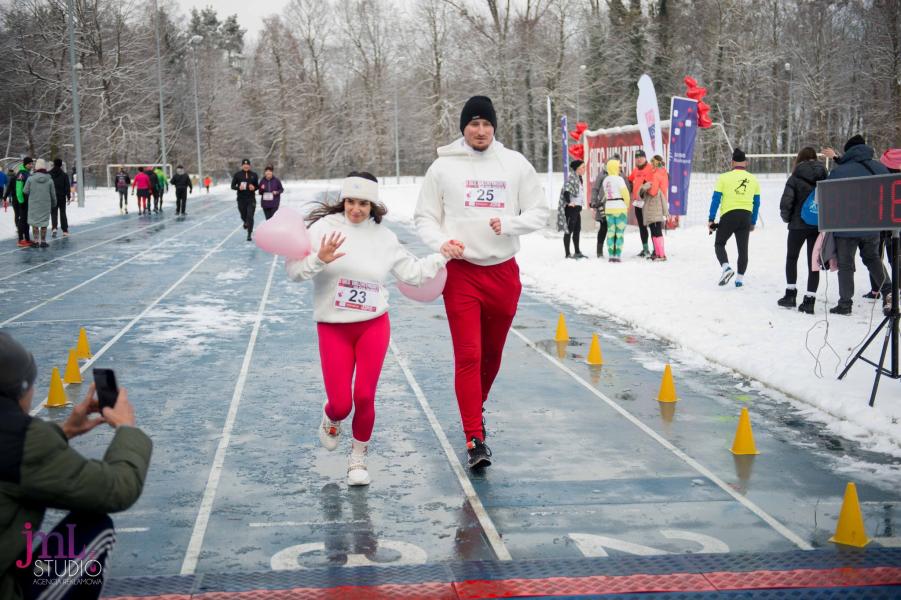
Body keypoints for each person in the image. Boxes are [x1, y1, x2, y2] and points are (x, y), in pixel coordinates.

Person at [287, 172, 448, 485]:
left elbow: (413, 274)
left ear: (373, 204)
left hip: (373, 324)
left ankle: (357, 458)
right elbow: (294, 272)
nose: (356, 209)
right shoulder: (322, 229)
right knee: (342, 403)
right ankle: (331, 416)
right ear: (343, 201)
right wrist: (318, 260)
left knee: (364, 395)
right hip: (333, 327)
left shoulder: (383, 237)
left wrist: (443, 256)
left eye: (363, 203)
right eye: (350, 201)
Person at [414, 95, 548, 469]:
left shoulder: (514, 163)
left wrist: (510, 224)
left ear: (494, 127)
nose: (480, 130)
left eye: (486, 124)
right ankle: (474, 437)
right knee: (469, 355)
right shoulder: (443, 168)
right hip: (462, 274)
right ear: (463, 128)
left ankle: (476, 406)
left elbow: (539, 211)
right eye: (473, 124)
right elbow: (424, 217)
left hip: (503, 272)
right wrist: (441, 243)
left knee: (491, 355)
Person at [0, 332, 152, 600]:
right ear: (21, 390)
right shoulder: (21, 440)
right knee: (94, 527)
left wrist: (65, 430)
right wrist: (127, 429)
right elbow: (117, 489)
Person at [825, 135, 891, 315]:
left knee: (846, 265)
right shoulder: (880, 168)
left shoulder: (839, 172)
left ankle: (845, 304)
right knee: (873, 259)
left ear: (849, 151)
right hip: (872, 224)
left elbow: (829, 198)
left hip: (845, 227)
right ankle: (888, 291)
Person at [777, 147, 827, 313]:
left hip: (797, 225)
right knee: (814, 263)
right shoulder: (825, 176)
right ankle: (810, 300)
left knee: (792, 258)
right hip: (817, 225)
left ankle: (790, 295)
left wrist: (787, 219)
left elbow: (786, 203)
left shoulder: (795, 177)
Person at [708, 148, 761, 287]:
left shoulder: (723, 177)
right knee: (743, 249)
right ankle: (739, 280)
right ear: (746, 163)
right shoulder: (753, 179)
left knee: (719, 243)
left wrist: (711, 219)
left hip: (729, 215)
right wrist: (753, 221)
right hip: (746, 216)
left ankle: (726, 268)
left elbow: (716, 199)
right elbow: (757, 203)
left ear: (732, 162)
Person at [601, 158, 630, 262]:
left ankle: (610, 255)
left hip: (609, 208)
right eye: (618, 167)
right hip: (620, 208)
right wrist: (627, 205)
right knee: (619, 233)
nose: (619, 169)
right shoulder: (619, 179)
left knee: (610, 232)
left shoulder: (605, 180)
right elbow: (625, 194)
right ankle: (617, 255)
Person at [642, 155, 669, 261]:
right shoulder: (664, 173)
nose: (651, 165)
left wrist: (645, 187)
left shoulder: (656, 175)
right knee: (656, 228)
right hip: (661, 202)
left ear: (656, 163)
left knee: (655, 230)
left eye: (652, 163)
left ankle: (661, 254)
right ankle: (658, 254)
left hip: (655, 202)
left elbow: (653, 192)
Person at [23, 159, 56, 249]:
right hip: (45, 205)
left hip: (34, 204)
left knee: (35, 223)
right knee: (44, 223)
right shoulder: (49, 180)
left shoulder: (30, 178)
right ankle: (43, 241)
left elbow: (25, 191)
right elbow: (53, 194)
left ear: (36, 167)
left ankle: (36, 241)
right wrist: (54, 203)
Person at [558, 159, 587, 259]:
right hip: (572, 209)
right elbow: (566, 191)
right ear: (577, 169)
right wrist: (569, 202)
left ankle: (577, 252)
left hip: (577, 209)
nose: (584, 169)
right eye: (583, 167)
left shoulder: (578, 178)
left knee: (577, 230)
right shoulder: (572, 178)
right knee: (569, 230)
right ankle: (567, 254)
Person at [628, 149, 654, 257]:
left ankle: (656, 249)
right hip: (637, 202)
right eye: (637, 158)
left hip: (648, 202)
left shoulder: (651, 169)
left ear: (645, 158)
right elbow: (629, 181)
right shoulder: (635, 170)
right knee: (642, 227)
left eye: (640, 157)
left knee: (652, 226)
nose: (638, 159)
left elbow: (654, 183)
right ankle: (645, 249)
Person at [589, 157, 613, 258]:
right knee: (603, 228)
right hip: (602, 206)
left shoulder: (619, 174)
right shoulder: (602, 174)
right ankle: (599, 251)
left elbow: (625, 187)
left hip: (615, 206)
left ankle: (614, 250)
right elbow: (595, 189)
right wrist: (594, 202)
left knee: (614, 228)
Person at [231, 159, 259, 241]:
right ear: (242, 165)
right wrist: (238, 187)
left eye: (247, 165)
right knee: (243, 215)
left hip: (251, 199)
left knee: (250, 216)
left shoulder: (254, 175)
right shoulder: (237, 175)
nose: (246, 166)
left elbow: (257, 186)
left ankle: (249, 234)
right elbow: (232, 186)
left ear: (249, 166)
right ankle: (245, 222)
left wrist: (254, 188)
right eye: (244, 164)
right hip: (241, 199)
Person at [13, 158, 34, 248]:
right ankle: (21, 239)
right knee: (22, 220)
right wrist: (21, 201)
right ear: (25, 164)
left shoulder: (27, 173)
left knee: (26, 220)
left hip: (27, 200)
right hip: (23, 201)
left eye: (31, 164)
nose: (31, 165)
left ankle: (27, 238)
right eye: (29, 164)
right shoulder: (21, 174)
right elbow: (18, 189)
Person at [48, 158, 70, 238]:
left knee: (54, 212)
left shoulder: (49, 174)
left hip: (52, 196)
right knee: (63, 212)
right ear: (61, 165)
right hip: (61, 196)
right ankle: (65, 230)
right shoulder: (64, 175)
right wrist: (68, 196)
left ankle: (54, 228)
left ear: (54, 164)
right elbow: (67, 186)